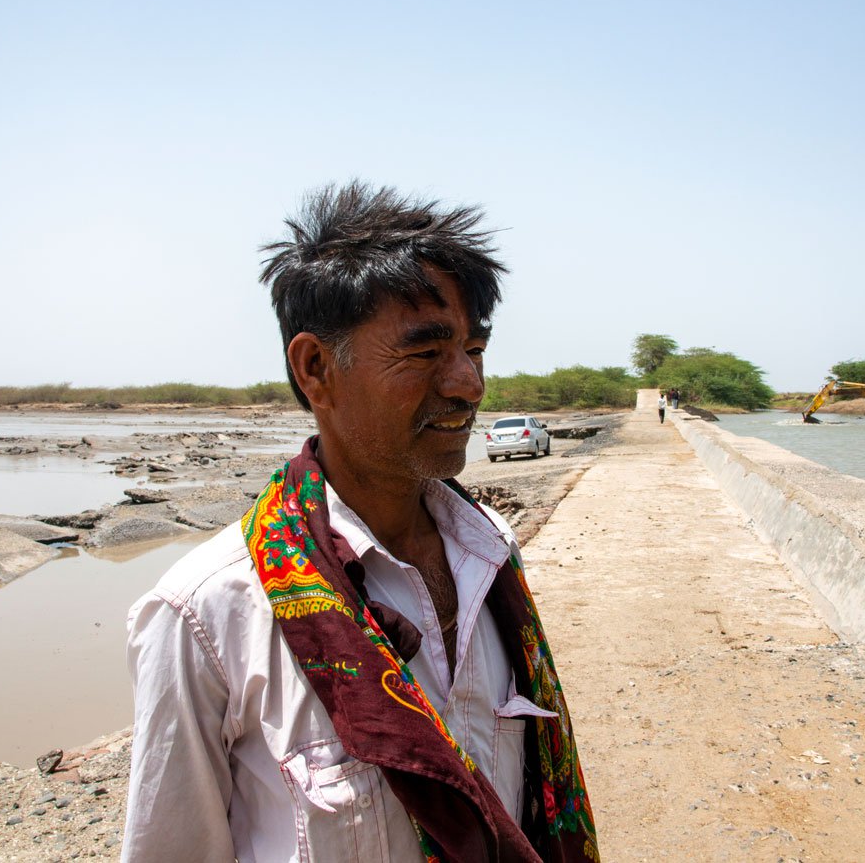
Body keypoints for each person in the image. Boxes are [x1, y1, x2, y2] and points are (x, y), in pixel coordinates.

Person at [122, 182, 597, 863]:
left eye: (475, 349)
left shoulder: (491, 553)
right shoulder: (205, 613)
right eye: (426, 352)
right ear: (316, 368)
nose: (468, 383)